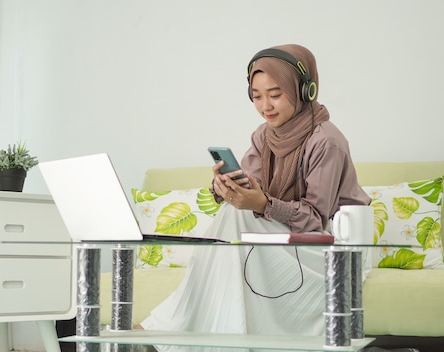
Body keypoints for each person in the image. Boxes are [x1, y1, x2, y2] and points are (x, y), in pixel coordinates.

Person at [139, 44, 370, 344]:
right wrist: (224, 188)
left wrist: (261, 203)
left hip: (330, 248)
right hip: (285, 239)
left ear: (305, 91)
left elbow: (315, 219)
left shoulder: (326, 141)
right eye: (257, 96)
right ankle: (196, 332)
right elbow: (250, 182)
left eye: (275, 94)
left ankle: (167, 329)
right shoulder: (264, 135)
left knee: (236, 219)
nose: (266, 106)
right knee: (233, 213)